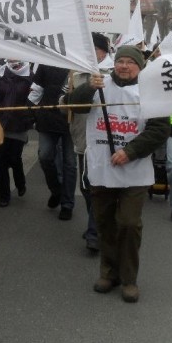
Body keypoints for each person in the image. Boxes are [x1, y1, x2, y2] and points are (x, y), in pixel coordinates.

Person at [67, 45, 169, 303]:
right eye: (120, 61)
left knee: (128, 223)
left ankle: (129, 278)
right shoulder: (99, 85)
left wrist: (131, 151)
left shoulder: (149, 91)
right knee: (104, 222)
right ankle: (108, 272)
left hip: (133, 171)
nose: (124, 66)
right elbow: (74, 106)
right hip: (101, 167)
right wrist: (88, 87)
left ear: (139, 66)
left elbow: (159, 130)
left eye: (130, 62)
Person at [67, 33, 113, 252]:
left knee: (99, 186)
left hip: (108, 139)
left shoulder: (116, 73)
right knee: (86, 185)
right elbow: (69, 103)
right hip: (83, 137)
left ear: (103, 52)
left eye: (93, 48)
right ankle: (99, 224)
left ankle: (95, 232)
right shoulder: (74, 74)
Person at [29, 63, 76, 220]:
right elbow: (36, 90)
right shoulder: (46, 63)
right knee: (44, 156)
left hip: (71, 120)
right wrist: (30, 112)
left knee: (69, 164)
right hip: (48, 117)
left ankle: (67, 204)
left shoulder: (78, 65)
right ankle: (56, 189)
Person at [0, 59, 33, 207]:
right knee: (1, 160)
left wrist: (29, 117)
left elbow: (33, 100)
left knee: (14, 158)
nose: (12, 59)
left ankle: (20, 182)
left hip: (19, 124)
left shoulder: (30, 76)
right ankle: (4, 195)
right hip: (1, 123)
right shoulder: (1, 73)